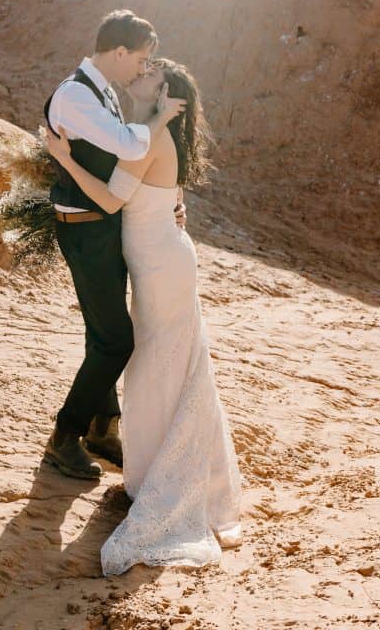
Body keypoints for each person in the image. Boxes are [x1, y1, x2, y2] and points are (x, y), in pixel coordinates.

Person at [46, 57, 242, 576]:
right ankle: (162, 469)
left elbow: (111, 199)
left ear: (165, 96)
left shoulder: (151, 137)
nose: (142, 73)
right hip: (164, 259)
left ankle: (160, 477)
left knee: (159, 366)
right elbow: (168, 195)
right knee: (169, 366)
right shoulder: (147, 135)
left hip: (161, 267)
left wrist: (61, 159)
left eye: (152, 73)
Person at [43, 11, 187, 480]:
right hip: (85, 227)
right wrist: (162, 117)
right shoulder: (75, 95)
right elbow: (127, 146)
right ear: (119, 52)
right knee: (116, 339)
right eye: (141, 59)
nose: (142, 69)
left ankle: (103, 429)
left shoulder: (100, 88)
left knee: (100, 332)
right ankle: (65, 436)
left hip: (103, 226)